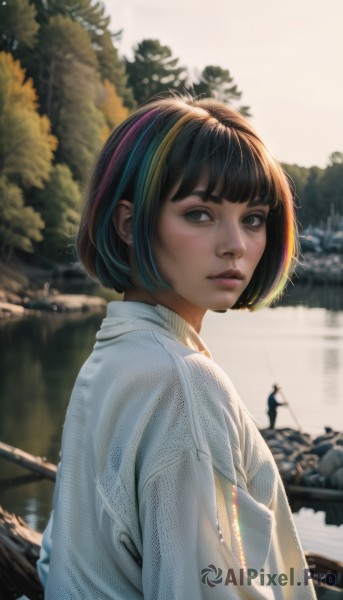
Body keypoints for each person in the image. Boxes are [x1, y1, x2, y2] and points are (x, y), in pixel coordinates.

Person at [38, 94, 316, 599]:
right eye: (200, 214)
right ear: (128, 224)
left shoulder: (112, 359)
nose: (235, 243)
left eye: (253, 217)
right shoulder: (181, 381)